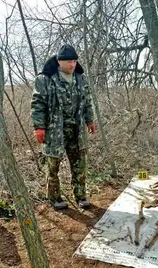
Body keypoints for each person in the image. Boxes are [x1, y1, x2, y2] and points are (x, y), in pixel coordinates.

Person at [31, 44, 95, 210]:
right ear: (59, 62)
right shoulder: (45, 79)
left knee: (80, 164)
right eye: (69, 62)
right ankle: (55, 198)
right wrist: (39, 127)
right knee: (52, 166)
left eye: (74, 61)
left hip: (76, 129)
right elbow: (38, 104)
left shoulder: (80, 78)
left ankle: (80, 196)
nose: (72, 65)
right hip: (54, 130)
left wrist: (90, 120)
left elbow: (87, 101)